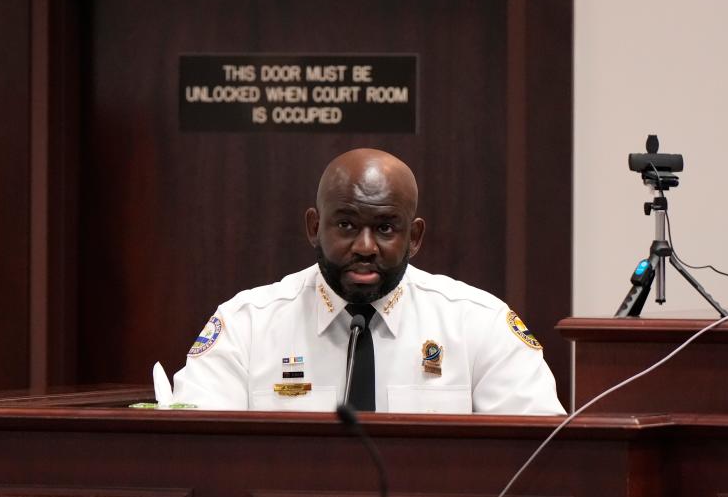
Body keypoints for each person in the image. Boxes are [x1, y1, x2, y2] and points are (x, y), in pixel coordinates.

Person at [171, 148, 565, 414]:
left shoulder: (480, 324)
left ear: (414, 237)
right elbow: (197, 455)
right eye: (345, 224)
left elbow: (537, 457)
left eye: (385, 228)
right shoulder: (247, 325)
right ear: (314, 227)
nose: (364, 246)